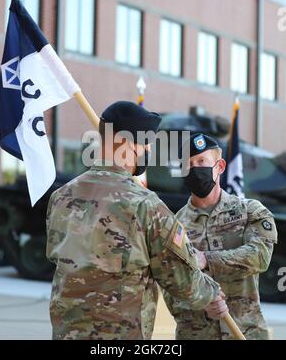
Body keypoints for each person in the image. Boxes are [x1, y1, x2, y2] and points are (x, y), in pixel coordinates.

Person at [46, 103, 227, 340]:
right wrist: (210, 294)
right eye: (146, 142)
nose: (149, 148)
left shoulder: (61, 196)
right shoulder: (145, 205)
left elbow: (55, 256)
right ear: (130, 143)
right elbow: (182, 279)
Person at [163, 133, 278, 340]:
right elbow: (170, 288)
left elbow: (260, 257)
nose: (195, 169)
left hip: (245, 332)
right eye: (189, 164)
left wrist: (207, 259)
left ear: (220, 166)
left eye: (202, 162)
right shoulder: (173, 226)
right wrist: (201, 301)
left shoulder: (250, 211)